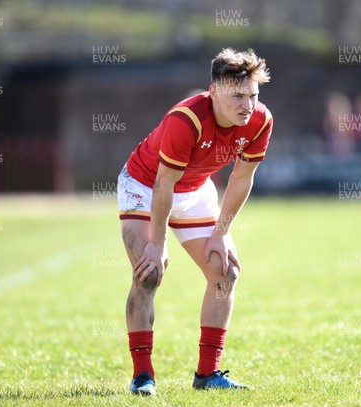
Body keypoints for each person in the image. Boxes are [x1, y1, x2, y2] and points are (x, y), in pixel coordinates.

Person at [117, 48, 273, 396]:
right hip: (145, 185)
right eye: (237, 95)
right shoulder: (185, 119)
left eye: (253, 95)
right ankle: (143, 376)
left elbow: (241, 179)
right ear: (214, 91)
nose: (247, 104)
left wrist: (222, 233)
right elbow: (163, 184)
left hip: (195, 189)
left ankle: (207, 375)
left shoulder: (261, 120)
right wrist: (157, 244)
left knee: (225, 271)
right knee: (149, 274)